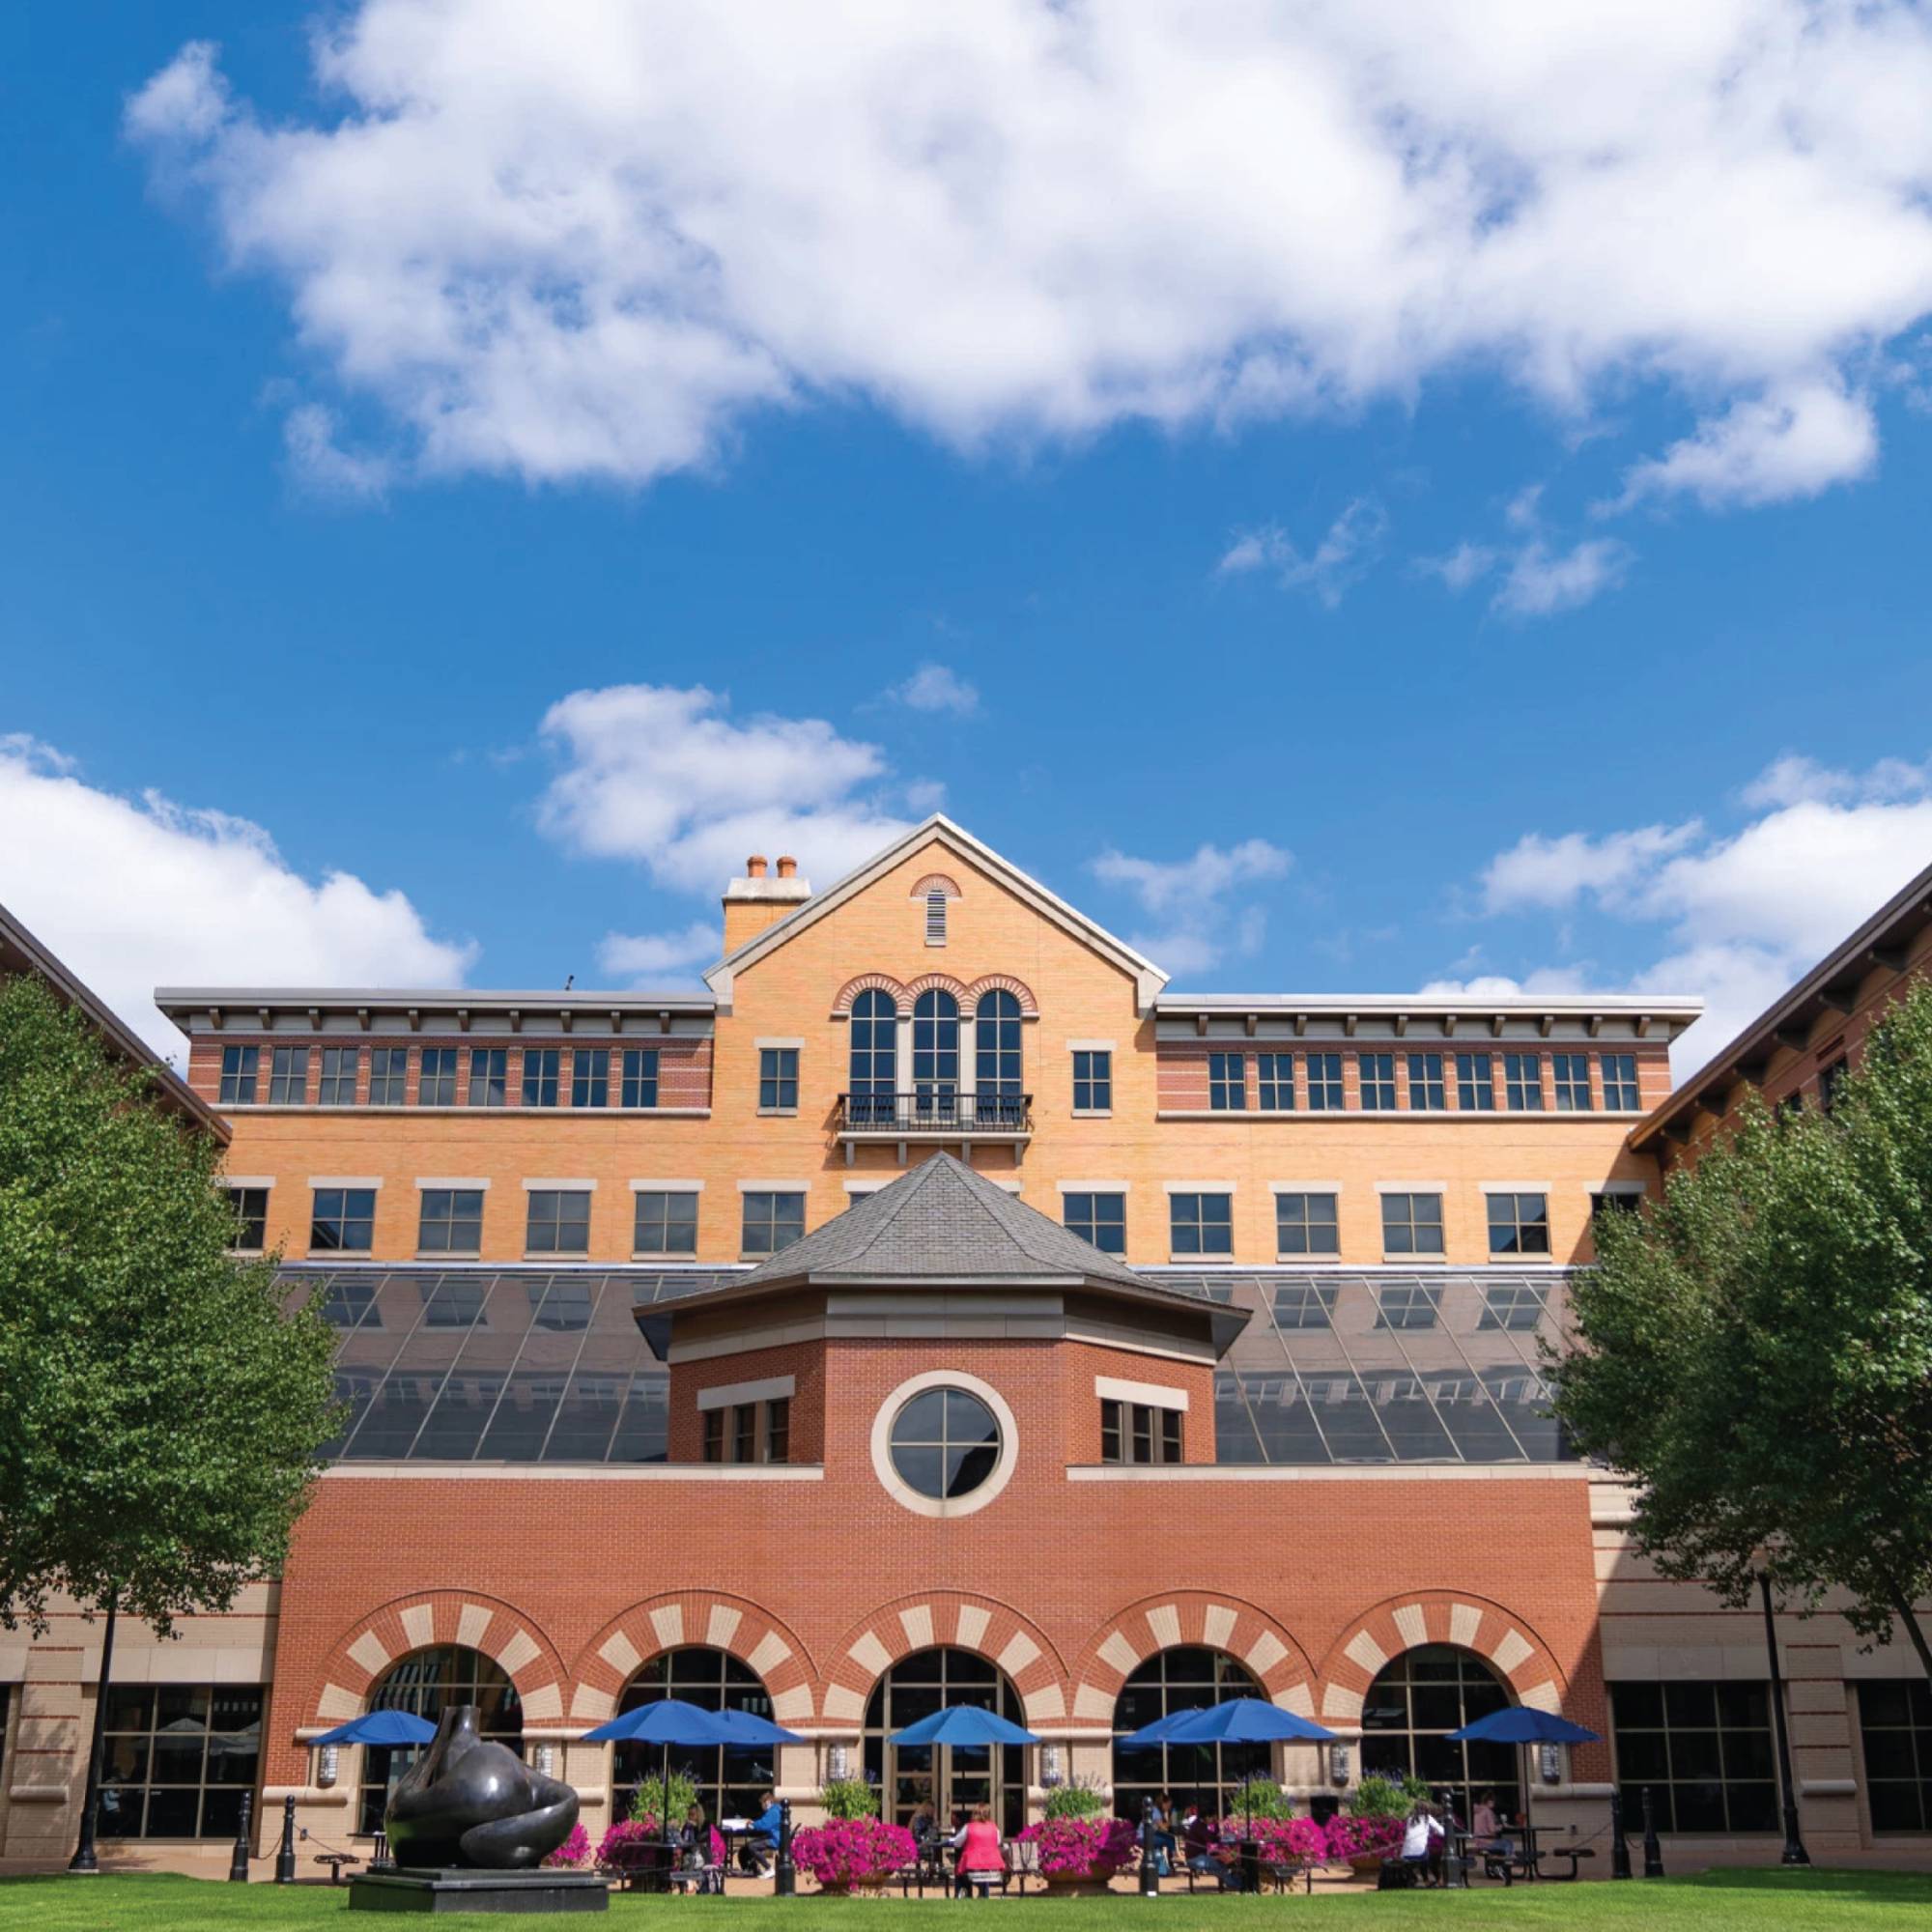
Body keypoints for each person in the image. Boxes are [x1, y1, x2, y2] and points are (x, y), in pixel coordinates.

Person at [952, 1804, 1003, 1898]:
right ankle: (984, 1895)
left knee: (960, 1872)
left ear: (974, 1814)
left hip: (972, 1866)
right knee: (984, 1870)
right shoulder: (994, 1828)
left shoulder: (968, 1827)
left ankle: (964, 1895)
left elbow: (957, 1843)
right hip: (992, 1866)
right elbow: (998, 1842)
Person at [742, 1789, 782, 1875]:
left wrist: (753, 1824)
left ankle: (769, 1868)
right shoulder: (775, 1809)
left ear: (767, 1802)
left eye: (762, 1804)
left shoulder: (773, 1812)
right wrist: (754, 1823)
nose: (761, 1806)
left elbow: (764, 1825)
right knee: (752, 1843)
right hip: (776, 1836)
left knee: (752, 1846)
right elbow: (764, 1822)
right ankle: (754, 1869)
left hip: (775, 1839)